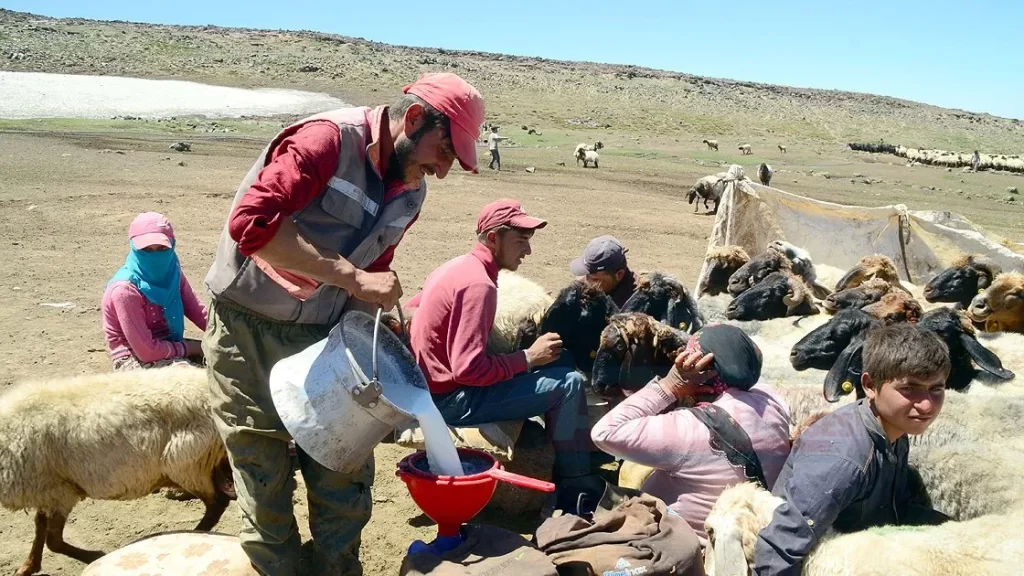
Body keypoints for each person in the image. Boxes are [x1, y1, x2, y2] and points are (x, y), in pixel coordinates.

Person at [202, 72, 485, 576]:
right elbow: (252, 226)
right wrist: (351, 278)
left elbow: (376, 269)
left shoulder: (411, 193)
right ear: (414, 119)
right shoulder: (327, 142)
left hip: (323, 336)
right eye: (443, 151)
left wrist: (373, 334)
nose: (442, 170)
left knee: (344, 474)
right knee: (264, 481)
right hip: (247, 328)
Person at [406, 199, 593, 494]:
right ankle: (576, 481)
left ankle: (557, 452)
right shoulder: (479, 285)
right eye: (521, 241)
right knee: (568, 383)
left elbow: (412, 308)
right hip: (451, 401)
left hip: (427, 390)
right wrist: (529, 358)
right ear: (493, 238)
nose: (528, 251)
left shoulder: (456, 266)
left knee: (559, 363)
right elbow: (468, 369)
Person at [754, 323, 952, 575]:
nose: (926, 405)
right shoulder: (843, 460)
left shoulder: (894, 431)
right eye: (908, 389)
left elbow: (895, 507)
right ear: (870, 385)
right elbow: (779, 549)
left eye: (936, 389)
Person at [591, 324, 791, 548]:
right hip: (752, 534)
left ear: (701, 371)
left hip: (688, 545)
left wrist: (670, 385)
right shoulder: (772, 402)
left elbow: (604, 432)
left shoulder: (691, 428)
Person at [102, 211, 207, 371]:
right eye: (147, 250)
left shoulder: (172, 272)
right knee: (190, 379)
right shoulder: (125, 290)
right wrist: (193, 348)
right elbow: (146, 351)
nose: (155, 256)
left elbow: (196, 309)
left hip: (170, 344)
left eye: (162, 248)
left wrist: (223, 332)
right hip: (134, 356)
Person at [570, 235, 637, 308]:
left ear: (619, 275)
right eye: (585, 274)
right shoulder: (584, 287)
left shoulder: (632, 308)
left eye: (594, 279)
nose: (584, 281)